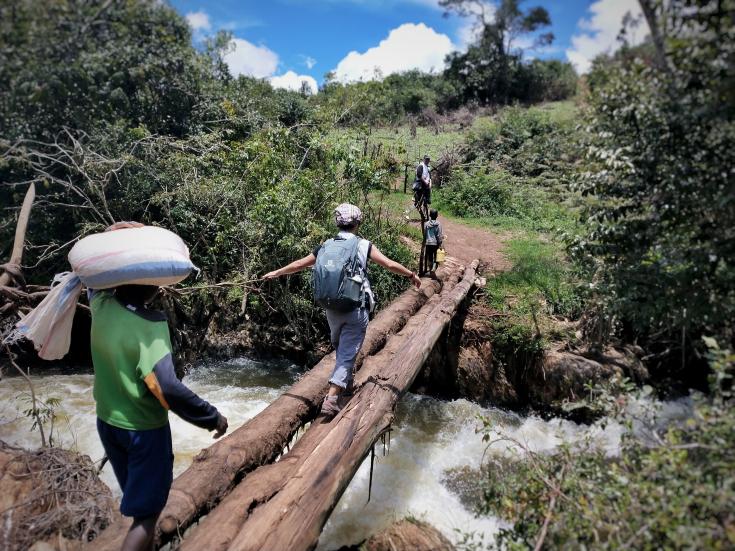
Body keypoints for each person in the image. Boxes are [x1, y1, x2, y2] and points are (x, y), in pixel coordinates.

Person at [92, 221, 228, 551]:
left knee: (137, 500)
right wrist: (213, 417)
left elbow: (95, 278)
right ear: (156, 286)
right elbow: (167, 387)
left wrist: (120, 230)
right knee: (148, 515)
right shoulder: (150, 328)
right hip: (143, 431)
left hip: (107, 422)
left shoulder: (101, 306)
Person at [263, 204, 421, 417]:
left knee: (341, 347)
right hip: (355, 308)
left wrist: (277, 272)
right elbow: (389, 264)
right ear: (357, 223)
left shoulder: (327, 245)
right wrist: (411, 275)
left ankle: (345, 384)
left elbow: (301, 263)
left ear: (337, 222)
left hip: (331, 307)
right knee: (347, 354)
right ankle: (331, 399)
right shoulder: (363, 245)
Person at [423, 209, 444, 275]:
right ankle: (434, 267)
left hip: (428, 243)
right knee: (436, 256)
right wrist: (440, 243)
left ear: (429, 215)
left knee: (430, 257)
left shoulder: (426, 224)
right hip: (435, 243)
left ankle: (430, 270)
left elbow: (425, 233)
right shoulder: (438, 224)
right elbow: (439, 235)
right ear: (437, 216)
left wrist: (424, 241)